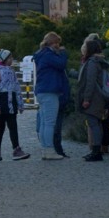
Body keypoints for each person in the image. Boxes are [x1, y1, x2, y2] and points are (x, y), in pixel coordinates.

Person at [33, 32, 69, 160]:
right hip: (50, 91)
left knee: (44, 122)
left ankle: (45, 148)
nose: (59, 46)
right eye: (57, 43)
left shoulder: (41, 54)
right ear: (53, 43)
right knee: (49, 123)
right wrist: (64, 53)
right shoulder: (48, 54)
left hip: (42, 91)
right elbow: (61, 64)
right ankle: (49, 149)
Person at [0, 48, 30, 161]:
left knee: (13, 126)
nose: (11, 59)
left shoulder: (12, 71)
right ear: (4, 59)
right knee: (0, 127)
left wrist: (20, 103)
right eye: (9, 58)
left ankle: (16, 149)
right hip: (1, 100)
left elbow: (17, 87)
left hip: (11, 101)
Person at [77, 38, 109, 162]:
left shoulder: (92, 62)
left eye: (85, 47)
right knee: (96, 123)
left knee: (94, 124)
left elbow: (90, 82)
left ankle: (96, 152)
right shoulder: (99, 61)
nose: (83, 49)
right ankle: (96, 151)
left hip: (94, 98)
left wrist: (86, 99)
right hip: (98, 97)